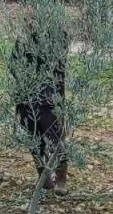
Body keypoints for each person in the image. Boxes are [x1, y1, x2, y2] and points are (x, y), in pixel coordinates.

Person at [10, 11, 69, 196]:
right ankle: (43, 178)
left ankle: (61, 179)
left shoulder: (56, 39)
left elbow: (58, 69)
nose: (33, 23)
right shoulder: (22, 42)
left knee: (55, 140)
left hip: (49, 101)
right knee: (35, 141)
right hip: (27, 101)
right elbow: (13, 66)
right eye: (30, 20)